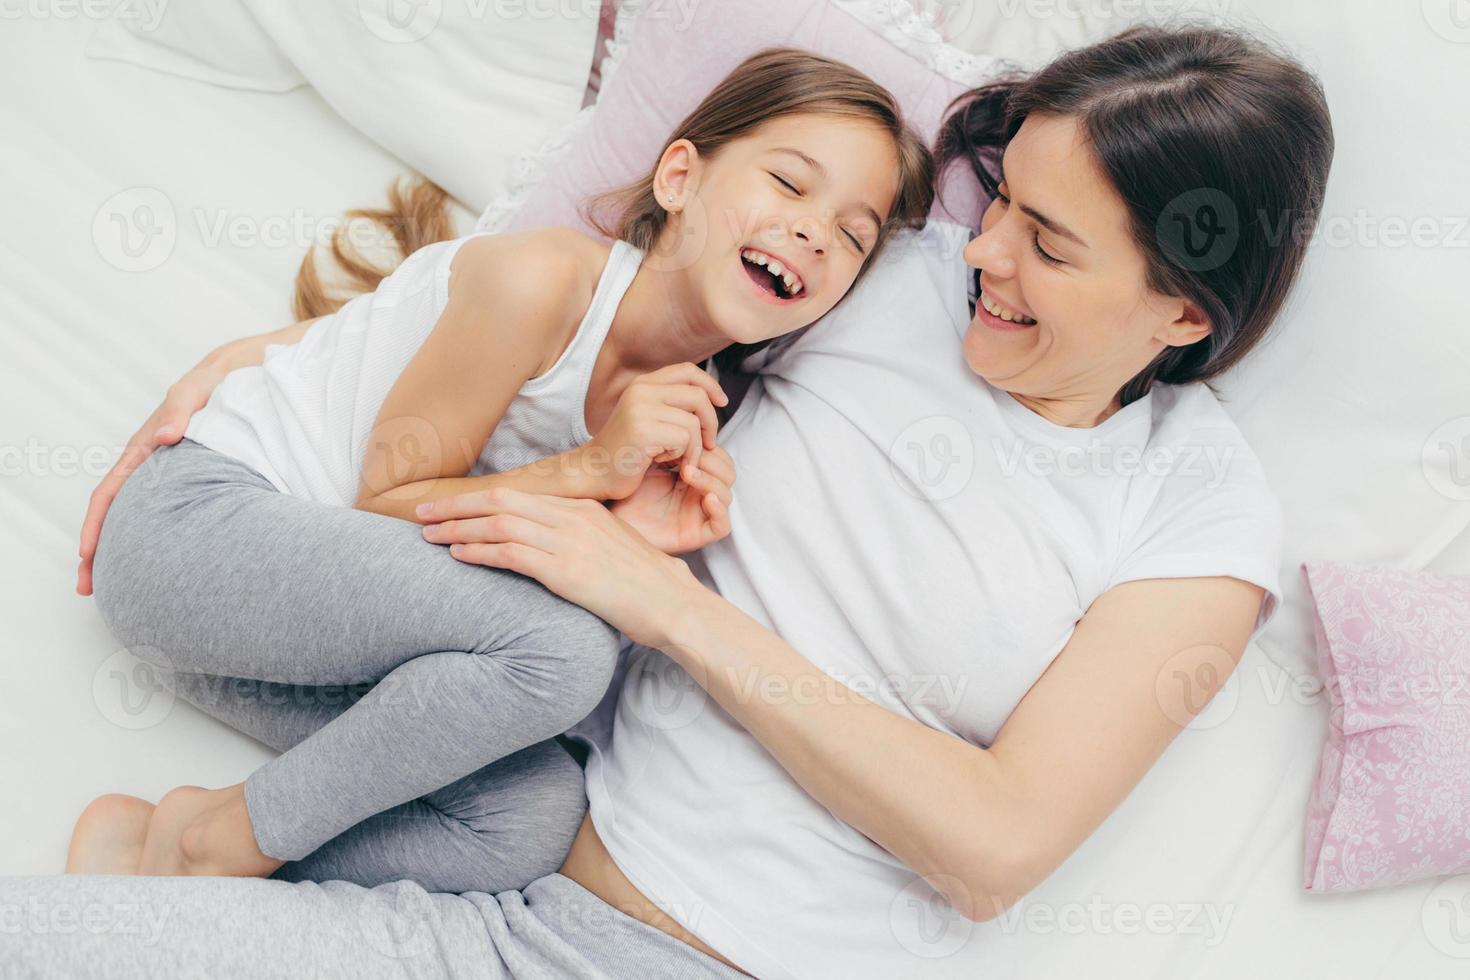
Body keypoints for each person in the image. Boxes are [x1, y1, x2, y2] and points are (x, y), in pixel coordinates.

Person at [12, 24, 1332, 980]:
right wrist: (247, 368)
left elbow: (992, 847)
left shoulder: (1195, 514)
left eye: (1047, 244)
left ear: (1179, 309)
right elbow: (589, 303)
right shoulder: (885, 278)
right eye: (1002, 204)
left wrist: (666, 607)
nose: (982, 252)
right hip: (483, 879)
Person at [67, 47, 934, 892]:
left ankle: (166, 839)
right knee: (561, 650)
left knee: (530, 818)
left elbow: (486, 617)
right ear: (680, 179)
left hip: (272, 643)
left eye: (854, 237)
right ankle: (223, 845)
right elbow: (386, 502)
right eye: (788, 183)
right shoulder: (545, 280)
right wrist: (592, 469)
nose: (815, 232)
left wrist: (625, 538)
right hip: (197, 538)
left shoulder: (696, 419)